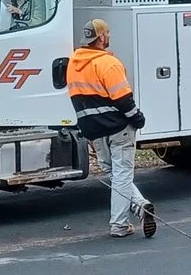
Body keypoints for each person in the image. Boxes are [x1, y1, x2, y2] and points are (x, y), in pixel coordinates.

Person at [67, 19, 156, 238]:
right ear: (101, 38)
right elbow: (123, 100)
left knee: (115, 174)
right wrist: (138, 118)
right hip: (118, 128)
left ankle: (140, 206)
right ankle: (119, 225)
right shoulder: (108, 63)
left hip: (95, 130)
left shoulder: (73, 63)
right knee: (123, 174)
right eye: (107, 34)